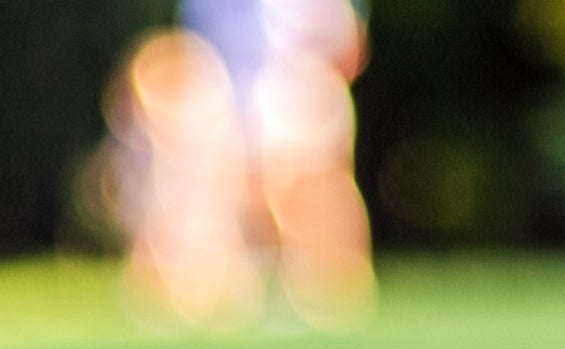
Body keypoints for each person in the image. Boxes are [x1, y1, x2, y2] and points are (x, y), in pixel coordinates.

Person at [109, 0, 374, 327]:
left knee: (310, 193)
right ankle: (235, 288)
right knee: (228, 198)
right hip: (226, 96)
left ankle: (332, 287)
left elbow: (345, 45)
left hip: (297, 86)